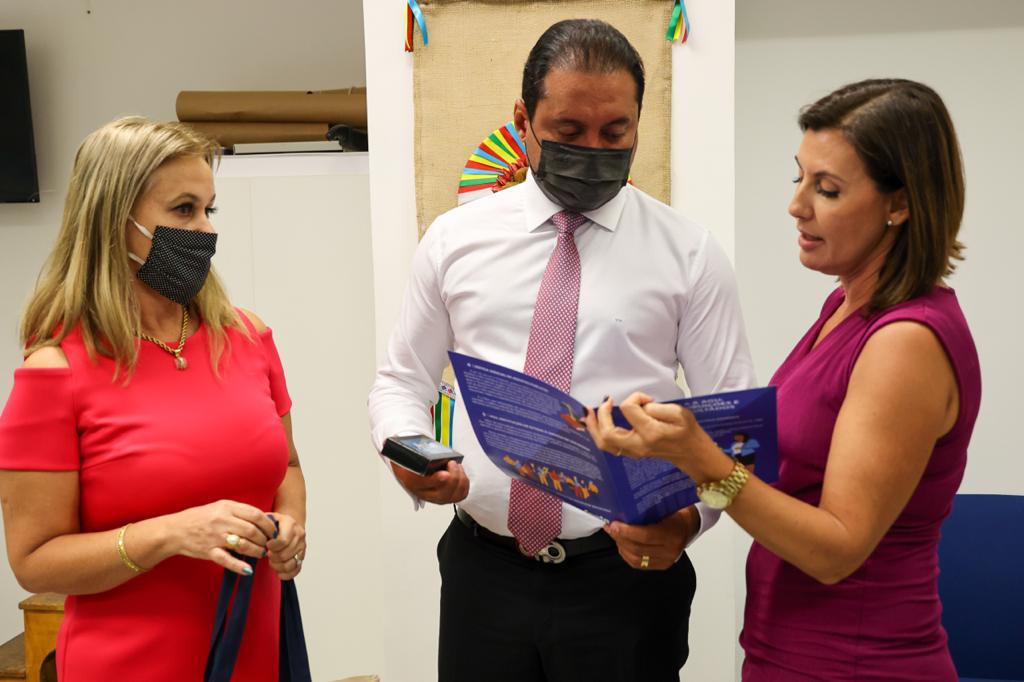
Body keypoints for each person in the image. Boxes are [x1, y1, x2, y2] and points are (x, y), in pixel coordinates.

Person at [368, 19, 755, 682]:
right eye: (569, 131)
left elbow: (735, 424)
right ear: (523, 119)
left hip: (627, 584)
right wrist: (409, 456)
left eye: (615, 132)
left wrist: (690, 521)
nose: (593, 151)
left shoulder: (689, 253)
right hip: (482, 575)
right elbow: (401, 382)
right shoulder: (454, 240)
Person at [585, 79, 980, 681]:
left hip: (858, 663)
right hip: (786, 651)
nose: (797, 205)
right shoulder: (844, 308)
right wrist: (670, 468)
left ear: (899, 204)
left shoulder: (905, 341)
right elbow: (786, 487)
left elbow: (835, 550)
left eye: (827, 189)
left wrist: (701, 458)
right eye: (799, 177)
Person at [0, 117, 308, 681]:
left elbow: (284, 465)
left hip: (255, 652)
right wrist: (170, 534)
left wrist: (290, 523)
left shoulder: (248, 337)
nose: (205, 230)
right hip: (129, 663)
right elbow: (34, 561)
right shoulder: (55, 373)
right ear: (114, 219)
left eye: (210, 209)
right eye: (184, 209)